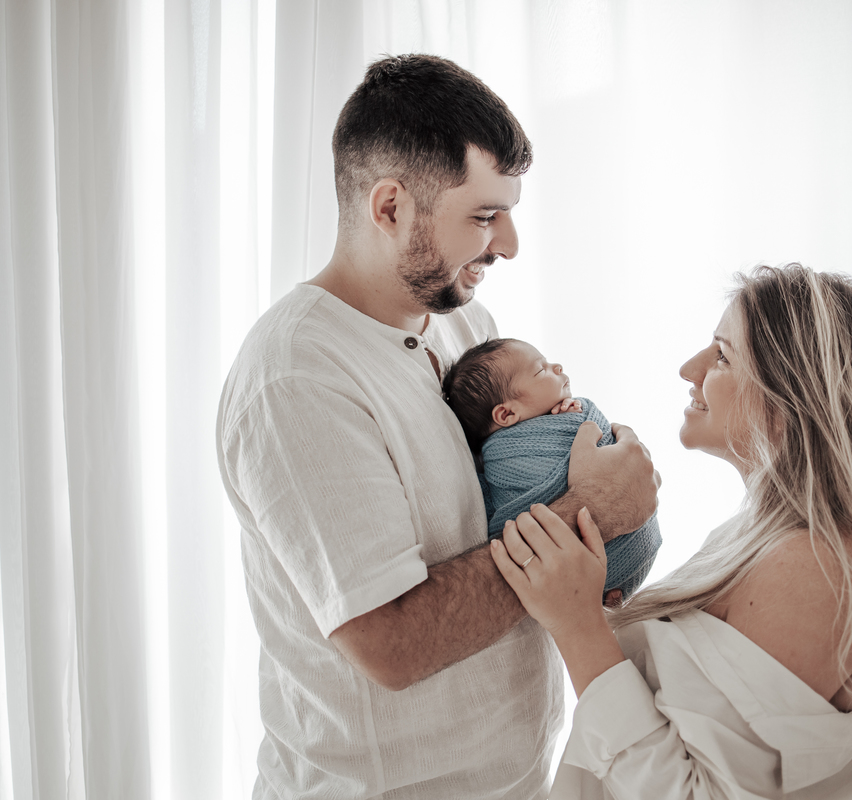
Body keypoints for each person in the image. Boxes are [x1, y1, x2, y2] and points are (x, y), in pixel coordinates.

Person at [216, 54, 659, 799]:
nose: (508, 244)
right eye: (484, 217)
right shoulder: (295, 378)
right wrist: (592, 509)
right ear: (391, 207)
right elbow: (391, 642)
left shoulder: (464, 325)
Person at [490, 265, 852, 799]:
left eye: (723, 356)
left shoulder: (819, 569)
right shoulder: (758, 538)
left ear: (793, 397)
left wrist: (579, 625)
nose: (689, 368)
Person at [442, 337, 662, 604]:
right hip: (602, 562)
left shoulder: (563, 415)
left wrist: (573, 414)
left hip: (618, 562)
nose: (557, 367)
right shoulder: (507, 456)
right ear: (507, 414)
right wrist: (577, 421)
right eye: (540, 369)